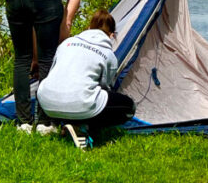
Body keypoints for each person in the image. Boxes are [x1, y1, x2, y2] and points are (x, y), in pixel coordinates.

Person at [6, 0, 90, 133]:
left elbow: (35, 25)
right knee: (48, 60)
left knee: (22, 59)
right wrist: (63, 54)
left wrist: (34, 58)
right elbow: (67, 19)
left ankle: (24, 123)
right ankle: (45, 123)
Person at [36, 9, 135, 147]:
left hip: (47, 104)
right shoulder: (108, 54)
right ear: (112, 35)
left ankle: (59, 123)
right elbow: (106, 87)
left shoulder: (67, 43)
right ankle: (82, 128)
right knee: (128, 107)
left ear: (88, 28)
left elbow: (54, 72)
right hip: (81, 105)